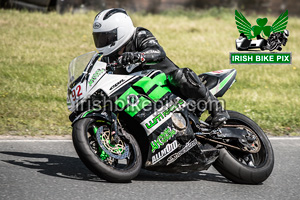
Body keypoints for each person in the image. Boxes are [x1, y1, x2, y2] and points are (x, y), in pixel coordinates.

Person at [92, 8, 229, 128]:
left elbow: (158, 52)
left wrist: (137, 56)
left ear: (120, 31)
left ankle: (217, 109)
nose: (103, 42)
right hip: (146, 99)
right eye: (99, 38)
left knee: (180, 75)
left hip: (171, 87)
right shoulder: (108, 58)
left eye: (106, 37)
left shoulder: (139, 35)